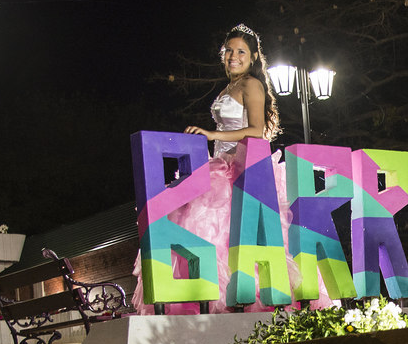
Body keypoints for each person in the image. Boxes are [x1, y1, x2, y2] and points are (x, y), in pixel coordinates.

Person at [132, 23, 308, 314]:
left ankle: (245, 299)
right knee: (205, 231)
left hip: (241, 169)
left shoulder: (252, 84)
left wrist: (213, 135)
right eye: (229, 50)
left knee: (231, 233)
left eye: (241, 51)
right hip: (219, 165)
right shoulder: (230, 87)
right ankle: (204, 298)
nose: (233, 56)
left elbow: (256, 129)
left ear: (253, 57)